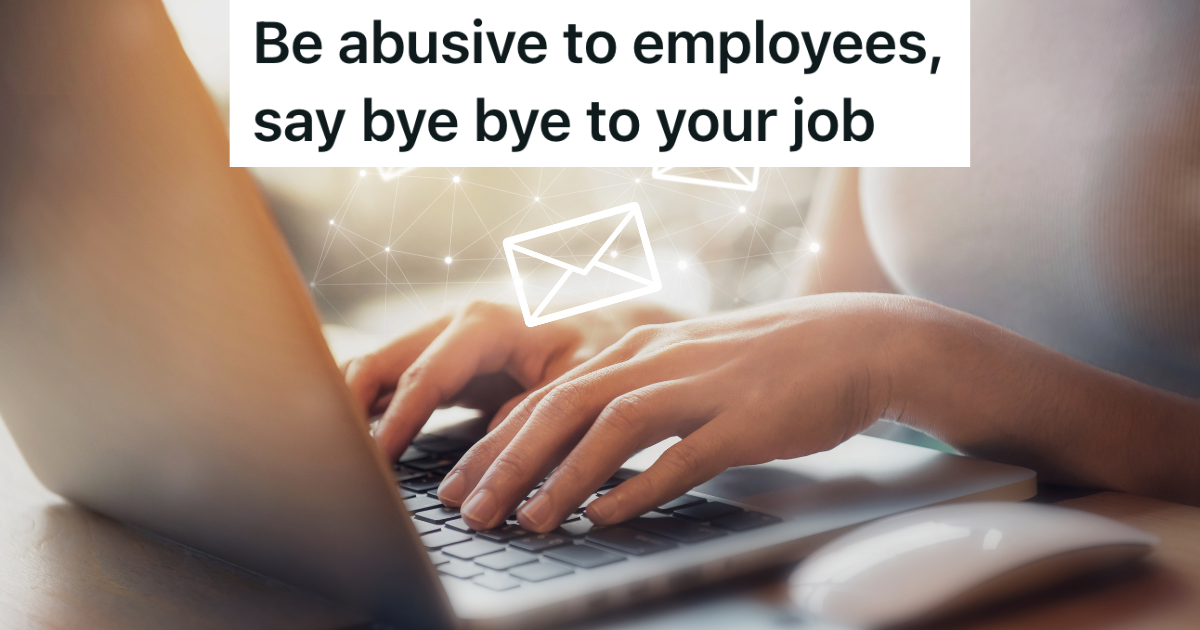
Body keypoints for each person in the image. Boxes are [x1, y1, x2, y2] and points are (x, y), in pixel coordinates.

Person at [344, 0, 1200, 533]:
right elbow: (826, 340)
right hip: (937, 546)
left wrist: (910, 354)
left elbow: (878, 349)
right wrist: (634, 350)